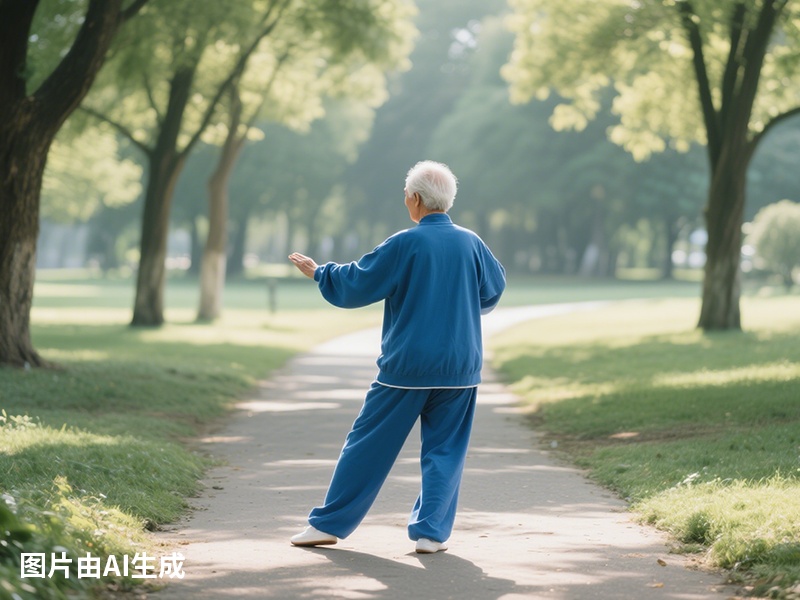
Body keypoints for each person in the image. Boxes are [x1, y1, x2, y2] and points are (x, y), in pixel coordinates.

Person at [288, 160, 506, 554]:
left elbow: (357, 282)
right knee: (445, 451)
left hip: (406, 368)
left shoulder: (404, 243)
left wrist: (321, 273)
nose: (406, 201)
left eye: (407, 195)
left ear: (416, 199)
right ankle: (431, 534)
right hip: (460, 368)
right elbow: (493, 290)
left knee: (366, 444)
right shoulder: (472, 242)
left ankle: (328, 524)